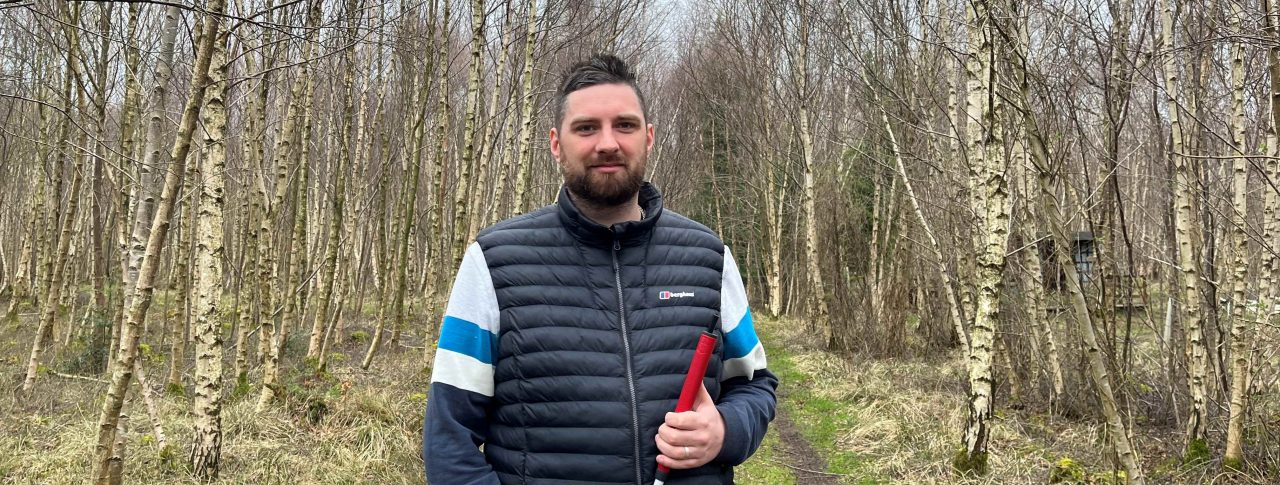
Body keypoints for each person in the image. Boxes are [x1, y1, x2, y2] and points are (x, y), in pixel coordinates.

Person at [422, 54, 778, 485]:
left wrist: (725, 430)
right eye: (586, 127)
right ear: (556, 143)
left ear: (648, 137)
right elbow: (449, 437)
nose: (607, 143)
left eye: (624, 125)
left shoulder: (707, 256)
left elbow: (754, 384)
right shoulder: (495, 261)